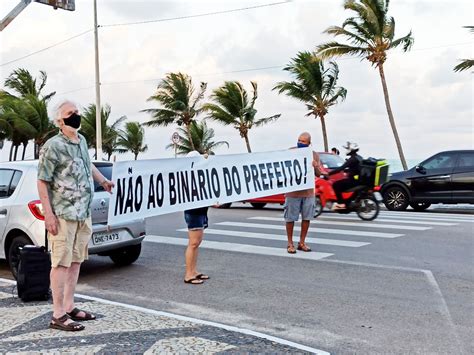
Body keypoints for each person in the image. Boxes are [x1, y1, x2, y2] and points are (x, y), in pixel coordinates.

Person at [37, 100, 114, 331]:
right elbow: (42, 181)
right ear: (59, 121)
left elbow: (87, 165)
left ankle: (69, 306)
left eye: (77, 112)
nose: (76, 116)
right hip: (63, 214)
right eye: (71, 114)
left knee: (76, 261)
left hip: (83, 213)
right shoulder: (53, 146)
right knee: (60, 263)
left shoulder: (81, 141)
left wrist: (103, 181)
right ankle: (58, 314)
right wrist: (48, 215)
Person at [284, 132, 324, 254]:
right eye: (299, 140)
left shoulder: (314, 155)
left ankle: (302, 242)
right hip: (293, 193)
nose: (300, 143)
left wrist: (316, 166)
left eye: (303, 141)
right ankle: (290, 244)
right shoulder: (291, 151)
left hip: (308, 193)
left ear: (309, 143)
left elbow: (319, 173)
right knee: (290, 218)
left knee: (307, 218)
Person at [183, 151, 210, 285]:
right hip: (193, 212)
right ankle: (188, 274)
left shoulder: (198, 175)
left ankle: (193, 271)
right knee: (193, 243)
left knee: (196, 243)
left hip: (201, 211)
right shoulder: (187, 177)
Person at [328, 141, 363, 209]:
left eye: (348, 148)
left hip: (353, 181)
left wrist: (329, 173)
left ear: (351, 150)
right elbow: (355, 168)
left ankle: (341, 203)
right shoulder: (359, 157)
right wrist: (347, 170)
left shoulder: (352, 159)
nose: (347, 150)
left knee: (335, 185)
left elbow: (340, 168)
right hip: (358, 180)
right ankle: (347, 202)